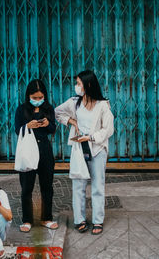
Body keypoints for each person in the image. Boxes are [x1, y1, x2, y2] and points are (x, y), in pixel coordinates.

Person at [55, 70, 114, 235]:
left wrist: (91, 137)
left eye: (79, 83)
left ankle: (98, 221)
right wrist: (71, 121)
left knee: (97, 186)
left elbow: (108, 130)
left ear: (88, 84)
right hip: (79, 150)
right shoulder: (74, 103)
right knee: (78, 186)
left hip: (97, 149)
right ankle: (79, 220)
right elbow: (57, 112)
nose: (76, 86)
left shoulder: (103, 105)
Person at [15, 79, 58, 232]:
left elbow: (53, 129)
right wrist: (27, 126)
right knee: (27, 187)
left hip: (45, 150)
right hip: (28, 150)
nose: (38, 100)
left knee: (47, 186)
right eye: (35, 97)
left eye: (40, 97)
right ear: (29, 96)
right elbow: (17, 129)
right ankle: (27, 220)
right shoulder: (21, 109)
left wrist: (48, 124)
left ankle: (46, 218)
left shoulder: (48, 109)